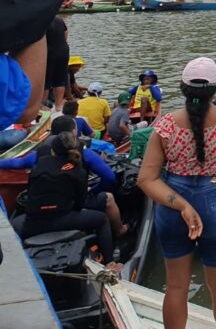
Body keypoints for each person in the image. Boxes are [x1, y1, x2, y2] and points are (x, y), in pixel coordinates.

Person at [138, 57, 216, 329]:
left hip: (173, 208)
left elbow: (147, 179)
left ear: (183, 88)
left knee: (175, 287)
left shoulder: (165, 126)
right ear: (215, 90)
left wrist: (182, 205)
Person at [2, 114, 126, 238]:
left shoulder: (38, 155)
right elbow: (109, 178)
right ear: (73, 132)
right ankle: (119, 230)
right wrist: (93, 191)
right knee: (108, 198)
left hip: (42, 210)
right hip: (69, 207)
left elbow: (16, 163)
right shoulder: (86, 154)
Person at [12, 129, 119, 267]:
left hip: (34, 222)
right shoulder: (78, 170)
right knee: (102, 220)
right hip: (64, 218)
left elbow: (31, 193)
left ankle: (18, 265)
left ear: (52, 150)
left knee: (14, 223)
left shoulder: (38, 165)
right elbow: (80, 205)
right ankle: (110, 262)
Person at [44, 16, 70, 111]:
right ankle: (58, 105)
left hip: (48, 51)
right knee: (60, 79)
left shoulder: (41, 20)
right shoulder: (59, 19)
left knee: (45, 80)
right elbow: (65, 33)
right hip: (63, 50)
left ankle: (44, 105)